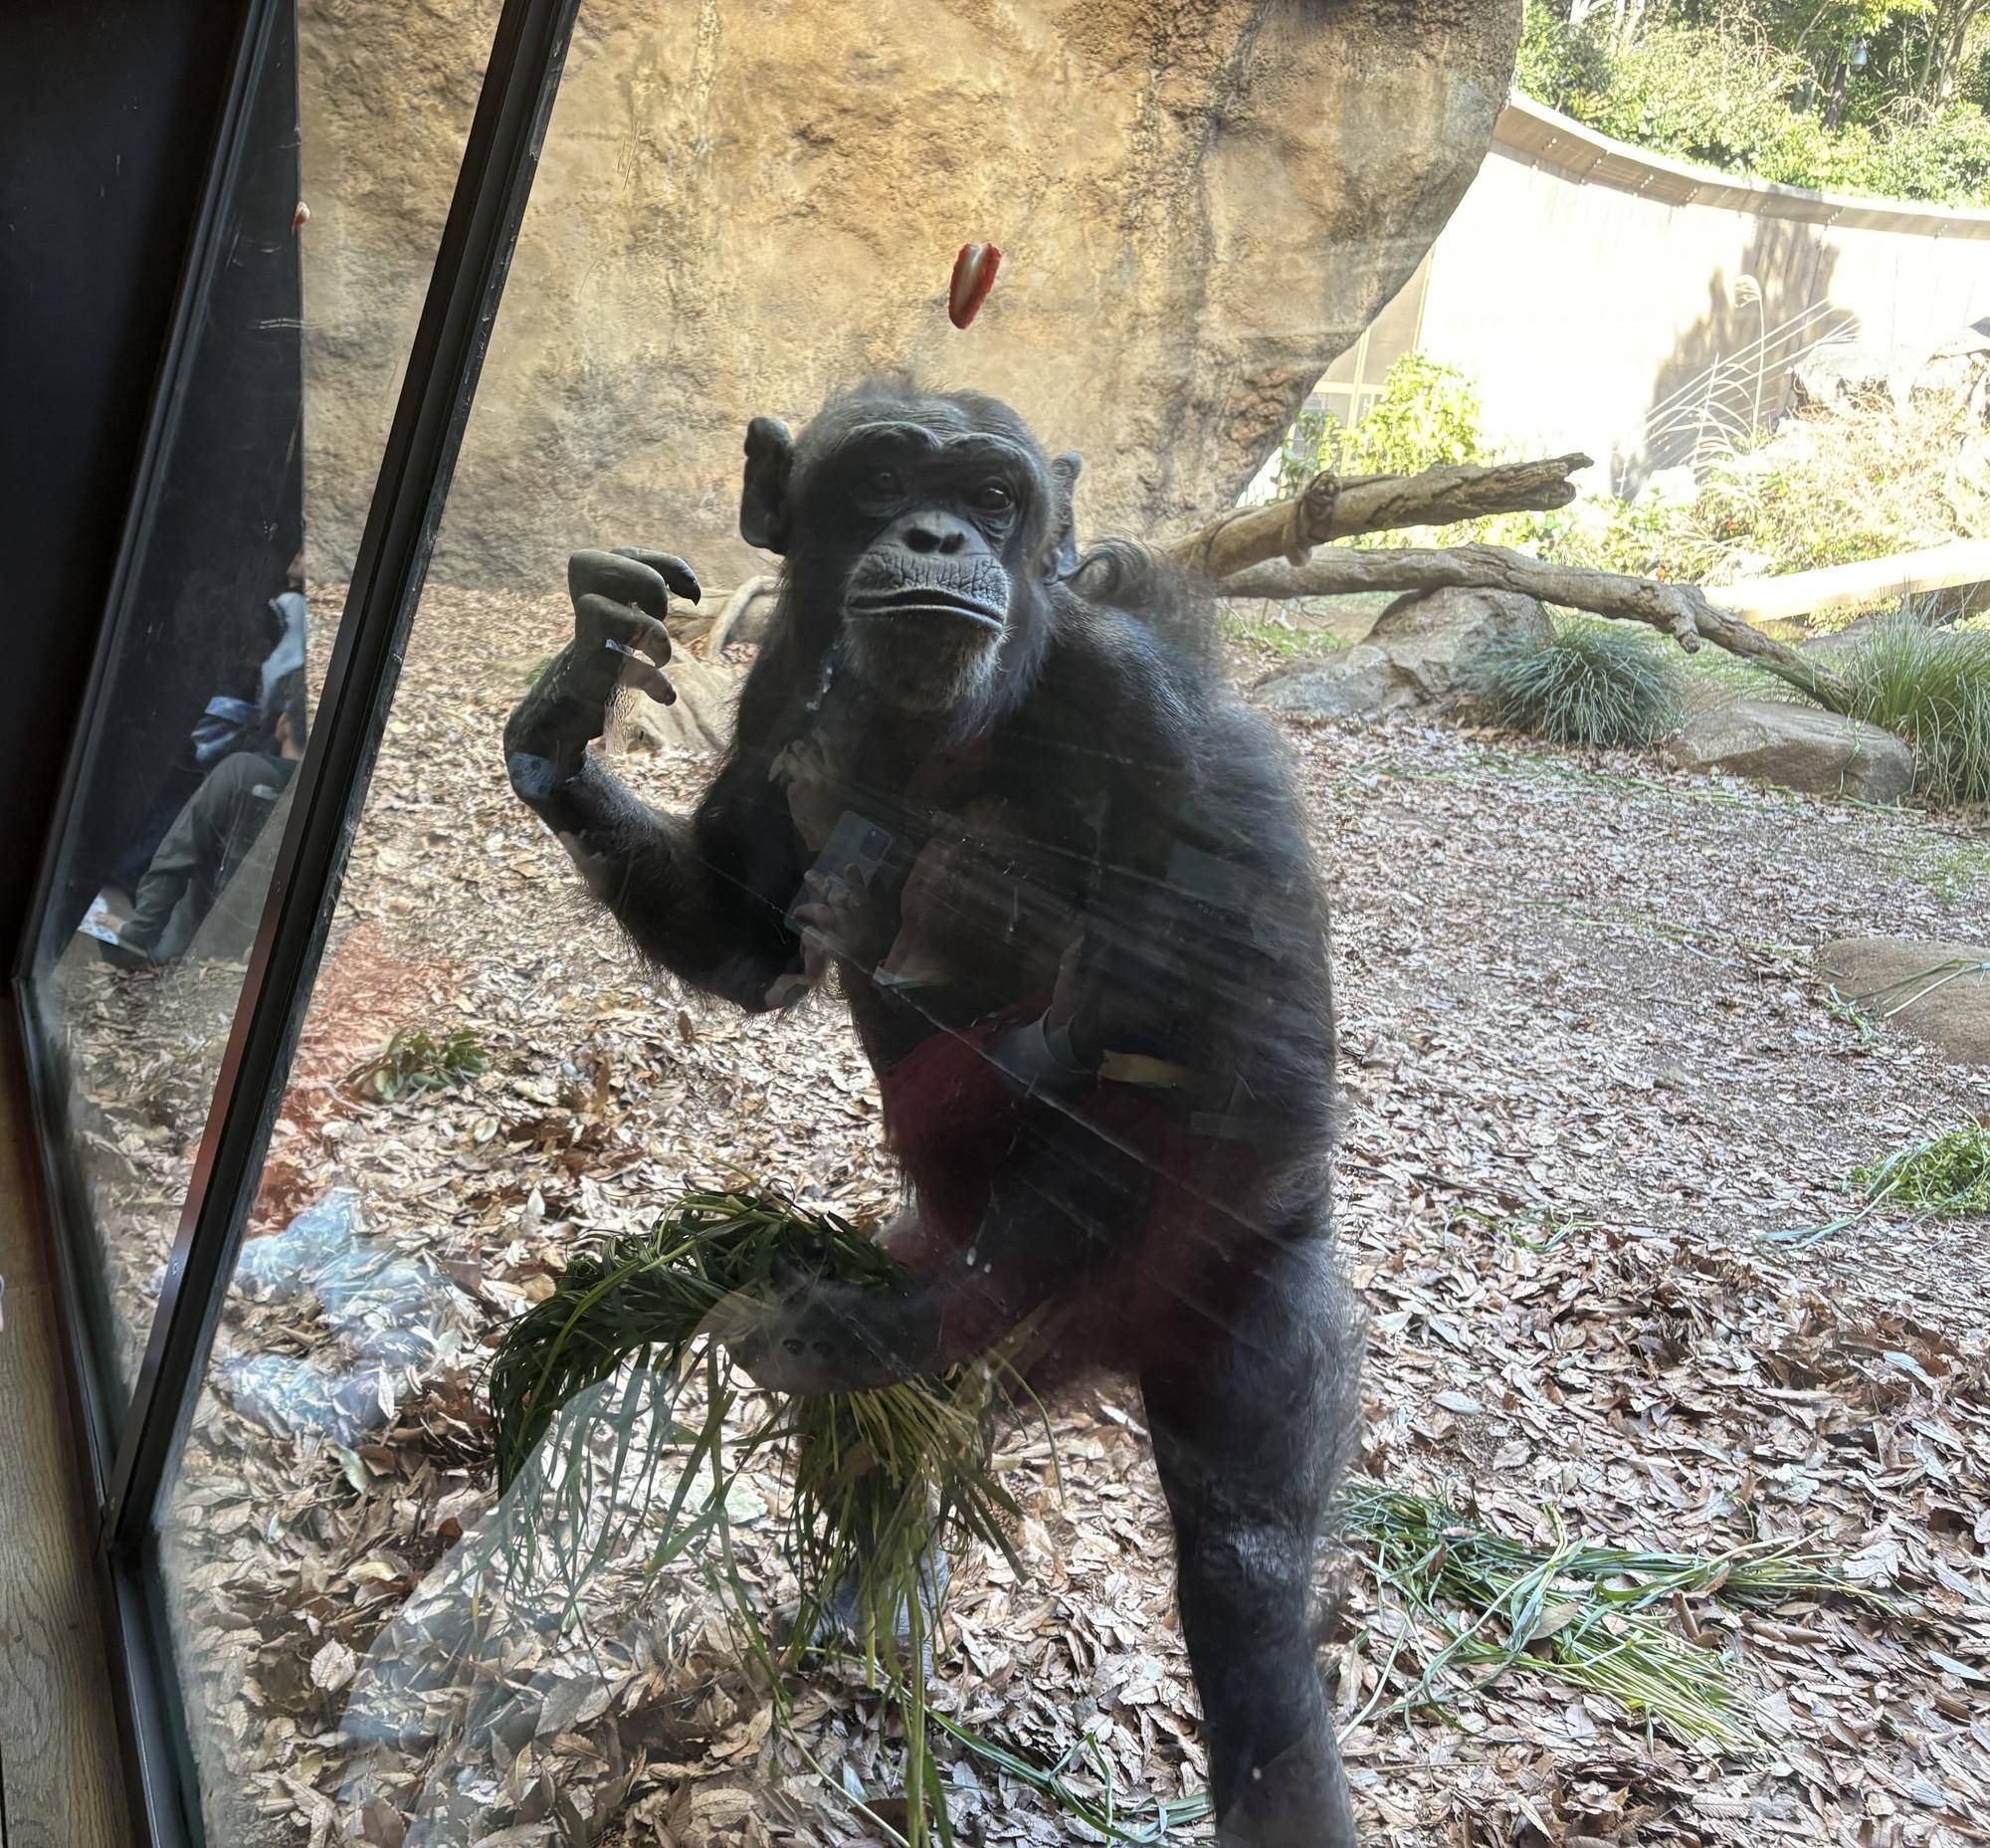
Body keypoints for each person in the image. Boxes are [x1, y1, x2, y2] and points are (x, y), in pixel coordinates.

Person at [105, 666, 307, 968]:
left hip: (192, 958)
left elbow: (173, 861)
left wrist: (136, 933)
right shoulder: (327, 804)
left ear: (282, 725)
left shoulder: (241, 773)